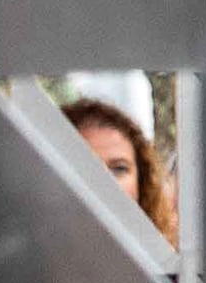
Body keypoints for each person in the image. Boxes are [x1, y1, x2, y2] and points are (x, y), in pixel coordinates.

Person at [62, 94, 179, 241]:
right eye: (86, 167)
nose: (105, 182)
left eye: (119, 169)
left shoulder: (167, 260)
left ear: (141, 183)